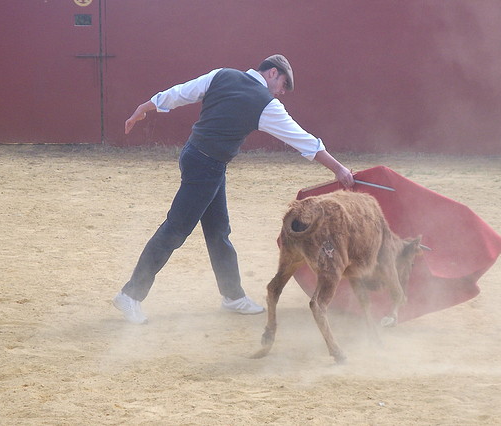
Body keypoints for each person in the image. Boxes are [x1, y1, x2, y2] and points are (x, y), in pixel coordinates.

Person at [113, 54, 354, 324]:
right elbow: (304, 141)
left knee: (218, 232)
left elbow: (180, 93)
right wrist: (338, 169)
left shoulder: (222, 74)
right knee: (175, 230)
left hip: (196, 155)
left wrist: (144, 108)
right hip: (207, 166)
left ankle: (232, 296)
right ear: (272, 73)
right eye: (284, 84)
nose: (282, 92)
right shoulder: (265, 104)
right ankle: (130, 295)